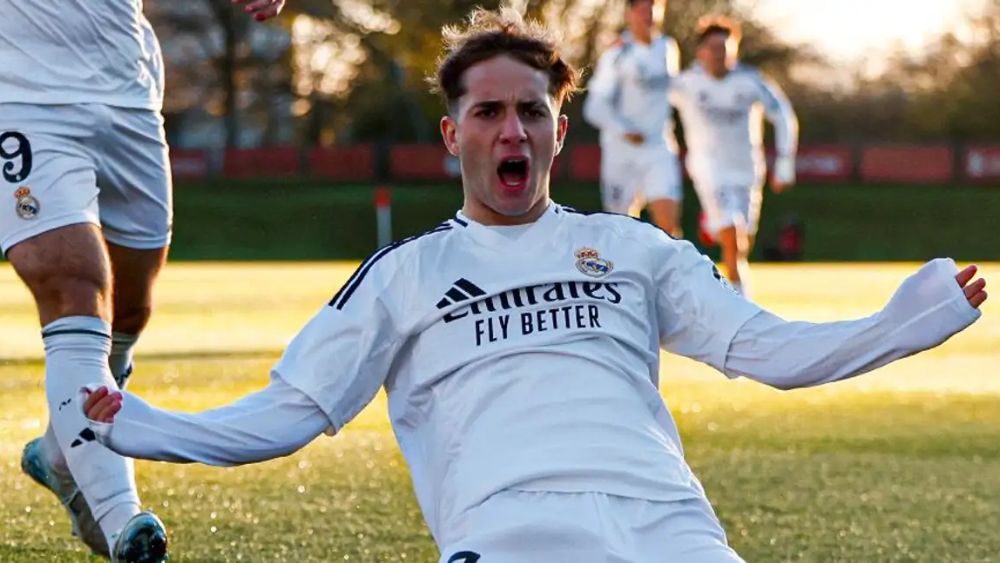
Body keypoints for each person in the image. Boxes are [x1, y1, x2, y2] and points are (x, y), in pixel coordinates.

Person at [79, 7, 985, 562]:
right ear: (452, 134)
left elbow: (768, 350)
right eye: (488, 111)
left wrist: (908, 320)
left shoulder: (635, 248)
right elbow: (293, 411)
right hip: (511, 529)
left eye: (531, 111)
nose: (511, 130)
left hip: (668, 525)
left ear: (558, 131)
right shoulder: (406, 273)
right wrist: (148, 423)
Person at [0, 1, 284, 560]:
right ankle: (120, 518)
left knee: (129, 313)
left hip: (127, 93)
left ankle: (61, 455)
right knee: (75, 289)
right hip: (22, 96)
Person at [669, 15, 798, 296]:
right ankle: (741, 304)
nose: (720, 55)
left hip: (747, 170)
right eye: (714, 49)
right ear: (701, 51)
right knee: (732, 234)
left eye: (726, 49)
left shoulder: (751, 81)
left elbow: (785, 117)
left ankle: (713, 227)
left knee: (741, 242)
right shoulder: (685, 84)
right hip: (708, 169)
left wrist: (785, 164)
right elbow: (648, 101)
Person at [583, 0, 684, 237]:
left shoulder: (668, 48)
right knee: (621, 228)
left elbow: (676, 93)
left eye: (653, 9)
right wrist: (623, 129)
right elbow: (594, 106)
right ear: (629, 14)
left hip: (659, 147)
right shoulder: (617, 53)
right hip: (621, 150)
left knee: (668, 225)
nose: (648, 15)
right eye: (641, 10)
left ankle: (669, 273)